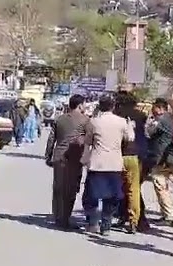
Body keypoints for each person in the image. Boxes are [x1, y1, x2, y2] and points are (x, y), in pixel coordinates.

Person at [81, 93, 132, 235]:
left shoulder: (94, 122)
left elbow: (88, 142)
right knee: (112, 197)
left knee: (91, 196)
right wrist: (130, 126)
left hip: (97, 163)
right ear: (113, 106)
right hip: (114, 164)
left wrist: (84, 159)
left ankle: (92, 223)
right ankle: (106, 226)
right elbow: (130, 138)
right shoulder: (122, 122)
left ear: (100, 106)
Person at [45, 94, 89, 230]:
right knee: (71, 189)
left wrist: (48, 155)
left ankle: (58, 217)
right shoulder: (86, 120)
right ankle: (65, 218)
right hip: (75, 158)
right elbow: (89, 140)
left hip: (59, 157)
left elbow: (51, 139)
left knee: (58, 187)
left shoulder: (60, 119)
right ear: (80, 105)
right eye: (84, 104)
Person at [144, 97, 173, 226]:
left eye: (154, 108)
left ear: (160, 108)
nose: (152, 110)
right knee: (165, 185)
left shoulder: (161, 121)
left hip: (162, 158)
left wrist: (148, 123)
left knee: (160, 185)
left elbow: (149, 133)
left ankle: (169, 216)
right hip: (168, 157)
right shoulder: (168, 120)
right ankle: (167, 214)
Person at [116, 91, 149, 233]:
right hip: (139, 154)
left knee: (121, 187)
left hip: (121, 153)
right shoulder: (141, 116)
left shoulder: (117, 115)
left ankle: (132, 217)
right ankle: (134, 219)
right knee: (134, 188)